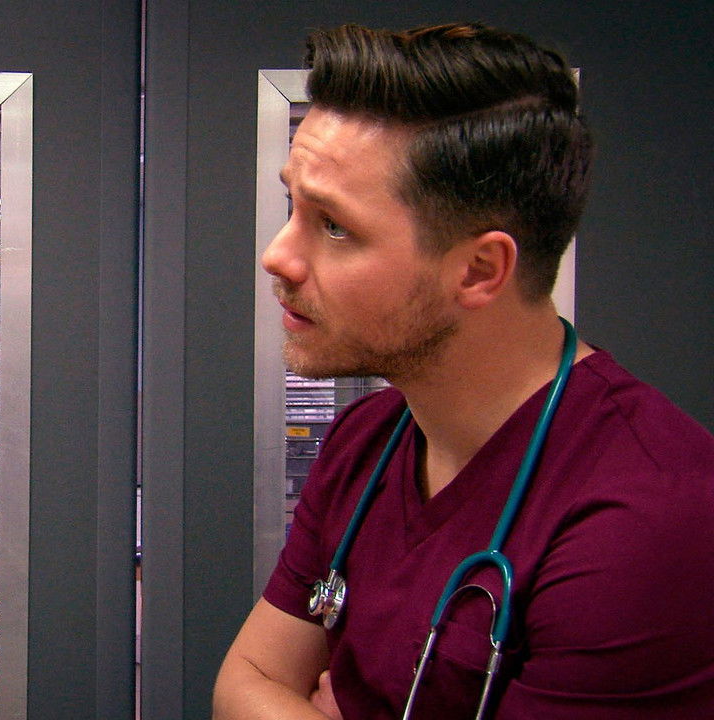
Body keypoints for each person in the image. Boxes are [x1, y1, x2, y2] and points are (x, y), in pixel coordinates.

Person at [213, 22, 714, 720]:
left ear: (479, 270)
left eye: (334, 226)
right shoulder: (366, 438)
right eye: (294, 204)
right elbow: (241, 685)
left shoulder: (650, 518)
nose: (278, 255)